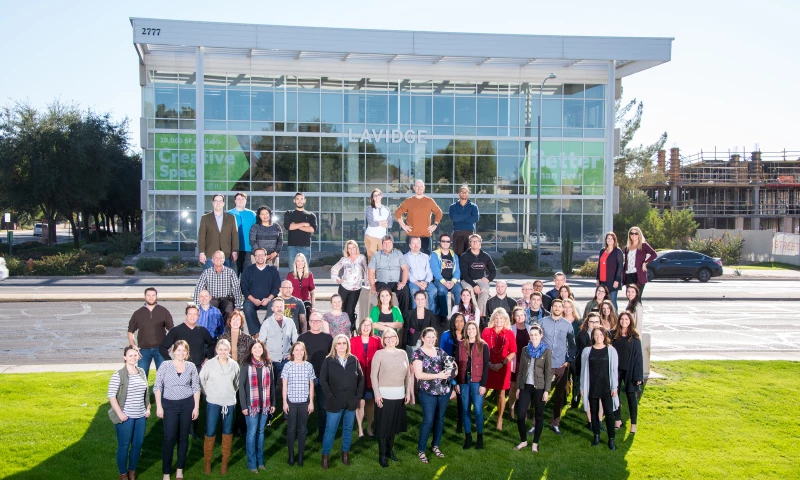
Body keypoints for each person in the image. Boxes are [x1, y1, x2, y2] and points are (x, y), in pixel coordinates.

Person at [154, 340, 200, 480]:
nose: (181, 353)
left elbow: (196, 387)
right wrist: (159, 406)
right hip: (169, 405)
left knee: (183, 438)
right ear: (173, 351)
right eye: (178, 350)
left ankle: (180, 469)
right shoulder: (165, 365)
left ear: (187, 353)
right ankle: (166, 472)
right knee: (169, 438)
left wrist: (196, 407)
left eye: (184, 351)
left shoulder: (191, 366)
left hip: (187, 405)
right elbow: (157, 386)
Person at [320, 334, 365, 469]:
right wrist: (330, 397)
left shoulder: (353, 360)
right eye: (338, 343)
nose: (341, 345)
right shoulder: (328, 360)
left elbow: (361, 379)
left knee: (348, 429)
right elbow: (323, 380)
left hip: (350, 402)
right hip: (334, 402)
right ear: (334, 345)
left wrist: (357, 397)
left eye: (344, 343)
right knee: (330, 430)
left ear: (347, 345)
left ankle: (345, 454)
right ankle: (325, 456)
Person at [371, 328, 412, 468]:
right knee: (384, 427)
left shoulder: (403, 353)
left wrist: (407, 393)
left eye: (392, 336)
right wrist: (377, 394)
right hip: (384, 395)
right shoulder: (379, 354)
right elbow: (373, 375)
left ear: (396, 338)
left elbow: (408, 375)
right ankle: (382, 455)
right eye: (387, 337)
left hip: (399, 395)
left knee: (393, 426)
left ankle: (389, 450)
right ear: (383, 340)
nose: (390, 339)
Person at [108, 345, 151, 480]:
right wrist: (120, 414)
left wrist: (148, 409)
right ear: (125, 357)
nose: (133, 357)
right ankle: (123, 474)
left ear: (138, 356)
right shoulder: (118, 375)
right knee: (124, 446)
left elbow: (146, 393)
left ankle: (132, 471)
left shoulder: (141, 372)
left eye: (135, 355)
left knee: (137, 445)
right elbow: (111, 396)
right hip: (126, 417)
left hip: (140, 416)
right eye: (130, 355)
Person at [413, 327, 454, 463]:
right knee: (428, 420)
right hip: (427, 392)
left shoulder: (440, 351)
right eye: (428, 337)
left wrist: (451, 374)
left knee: (440, 419)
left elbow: (452, 365)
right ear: (423, 338)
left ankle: (435, 445)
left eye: (433, 337)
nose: (431, 339)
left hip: (443, 391)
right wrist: (438, 375)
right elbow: (419, 375)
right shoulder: (418, 353)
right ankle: (421, 450)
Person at [199, 339, 240, 475]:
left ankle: (224, 463)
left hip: (229, 403)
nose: (223, 352)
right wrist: (209, 393)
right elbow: (201, 380)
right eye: (220, 349)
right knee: (210, 431)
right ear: (216, 350)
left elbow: (237, 383)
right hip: (213, 402)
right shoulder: (209, 365)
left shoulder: (234, 365)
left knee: (227, 432)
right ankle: (207, 462)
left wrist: (229, 393)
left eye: (225, 349)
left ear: (229, 350)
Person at [540, 299, 576, 435]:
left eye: (560, 306)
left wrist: (569, 360)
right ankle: (536, 423)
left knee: (559, 396)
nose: (557, 308)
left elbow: (572, 345)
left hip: (561, 364)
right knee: (541, 393)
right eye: (555, 306)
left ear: (562, 309)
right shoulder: (542, 322)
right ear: (551, 307)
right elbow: (535, 341)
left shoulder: (567, 325)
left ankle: (555, 423)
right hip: (546, 364)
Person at [513, 323, 552, 453]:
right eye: (532, 335)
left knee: (539, 415)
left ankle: (535, 443)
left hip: (540, 387)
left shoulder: (546, 351)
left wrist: (546, 391)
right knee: (520, 415)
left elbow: (548, 373)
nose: (534, 337)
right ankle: (523, 440)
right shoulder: (525, 350)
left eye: (536, 335)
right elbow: (521, 370)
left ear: (541, 336)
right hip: (526, 386)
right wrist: (519, 387)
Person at [239, 340, 276, 473]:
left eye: (259, 347)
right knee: (252, 432)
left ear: (263, 349)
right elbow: (241, 387)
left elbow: (272, 385)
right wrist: (244, 406)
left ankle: (260, 461)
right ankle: (252, 464)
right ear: (251, 350)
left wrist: (273, 403)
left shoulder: (268, 364)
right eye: (254, 348)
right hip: (251, 405)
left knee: (260, 431)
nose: (257, 350)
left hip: (265, 405)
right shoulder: (246, 365)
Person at [580, 326, 619, 450]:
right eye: (596, 334)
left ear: (605, 336)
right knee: (594, 412)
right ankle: (596, 436)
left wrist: (614, 387)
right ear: (593, 336)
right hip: (592, 386)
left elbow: (614, 371)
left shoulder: (611, 351)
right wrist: (582, 387)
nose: (598, 337)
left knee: (609, 413)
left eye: (601, 334)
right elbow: (583, 371)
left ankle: (611, 439)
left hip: (606, 386)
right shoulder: (587, 351)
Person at [454, 321, 490, 449]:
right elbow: (456, 364)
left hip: (477, 381)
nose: (471, 331)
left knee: (478, 410)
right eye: (468, 329)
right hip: (463, 381)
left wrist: (483, 384)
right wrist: (456, 382)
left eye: (473, 328)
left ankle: (480, 437)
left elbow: (486, 366)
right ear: (466, 331)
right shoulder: (460, 345)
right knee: (465, 409)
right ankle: (468, 437)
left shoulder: (483, 345)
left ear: (477, 330)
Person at [297, 312, 333, 437]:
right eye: (312, 321)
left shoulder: (328, 338)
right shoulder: (302, 338)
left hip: (323, 376)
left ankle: (323, 433)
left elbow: (332, 357)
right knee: (304, 405)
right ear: (309, 323)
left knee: (323, 406)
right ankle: (303, 431)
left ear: (322, 323)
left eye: (318, 321)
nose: (315, 323)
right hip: (306, 377)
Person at [482, 308, 517, 430]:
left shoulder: (509, 333)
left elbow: (513, 351)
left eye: (501, 318)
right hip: (488, 366)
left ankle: (499, 419)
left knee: (501, 394)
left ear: (505, 320)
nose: (498, 320)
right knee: (482, 392)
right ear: (493, 319)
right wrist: (488, 363)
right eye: (496, 318)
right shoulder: (486, 331)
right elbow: (481, 349)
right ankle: (479, 416)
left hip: (503, 367)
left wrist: (502, 363)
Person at [282, 341, 316, 467]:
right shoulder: (288, 366)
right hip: (291, 402)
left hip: (304, 403)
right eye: (296, 350)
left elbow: (311, 385)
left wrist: (311, 402)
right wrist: (284, 402)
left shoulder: (308, 366)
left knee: (302, 429)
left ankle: (300, 455)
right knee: (291, 429)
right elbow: (284, 386)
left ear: (304, 352)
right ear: (292, 352)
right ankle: (291, 455)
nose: (299, 352)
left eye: (301, 350)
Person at [128, 287, 174, 379]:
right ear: (145, 297)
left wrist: (169, 345)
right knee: (142, 377)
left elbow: (172, 330)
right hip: (143, 350)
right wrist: (134, 347)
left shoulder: (163, 311)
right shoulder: (138, 313)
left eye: (153, 295)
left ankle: (161, 389)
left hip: (160, 349)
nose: (151, 297)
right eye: (148, 295)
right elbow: (130, 331)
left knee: (163, 377)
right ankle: (143, 389)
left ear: (156, 296)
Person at [257, 297, 299, 394]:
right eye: (277, 307)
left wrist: (292, 355)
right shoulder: (267, 323)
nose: (279, 309)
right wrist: (265, 357)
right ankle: (272, 403)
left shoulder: (290, 322)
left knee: (290, 386)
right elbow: (261, 342)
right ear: (272, 308)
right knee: (270, 387)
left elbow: (296, 341)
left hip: (286, 359)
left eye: (281, 306)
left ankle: (288, 403)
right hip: (271, 360)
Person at [612, 311, 644, 434]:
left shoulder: (634, 337)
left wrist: (638, 376)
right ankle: (617, 419)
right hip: (616, 370)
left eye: (626, 319)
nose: (624, 321)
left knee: (631, 396)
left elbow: (638, 357)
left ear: (630, 321)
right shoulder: (613, 334)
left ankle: (633, 424)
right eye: (622, 319)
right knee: (614, 394)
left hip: (629, 371)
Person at [351, 318, 382, 438]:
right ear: (360, 327)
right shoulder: (353, 341)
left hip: (372, 377)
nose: (366, 327)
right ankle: (360, 429)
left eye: (368, 325)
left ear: (371, 328)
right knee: (360, 403)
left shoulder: (377, 340)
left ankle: (369, 427)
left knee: (370, 403)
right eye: (364, 325)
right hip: (358, 377)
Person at [159, 305, 215, 373]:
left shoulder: (203, 331)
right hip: (181, 368)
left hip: (198, 368)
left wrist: (208, 358)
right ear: (186, 315)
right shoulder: (176, 330)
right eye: (190, 314)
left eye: (195, 314)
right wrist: (171, 362)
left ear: (198, 316)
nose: (192, 316)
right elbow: (162, 347)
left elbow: (212, 345)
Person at [395, 179, 443, 255]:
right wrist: (403, 225)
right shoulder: (408, 201)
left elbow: (439, 213)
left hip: (425, 237)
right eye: (417, 186)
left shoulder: (429, 201)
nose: (419, 188)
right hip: (411, 236)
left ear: (424, 188)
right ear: (414, 188)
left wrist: (435, 225)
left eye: (421, 186)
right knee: (409, 260)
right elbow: (397, 213)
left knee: (426, 259)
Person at [240, 247, 281, 335]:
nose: (259, 257)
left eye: (262, 255)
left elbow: (276, 287)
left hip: (268, 300)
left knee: (275, 306)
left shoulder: (273, 270)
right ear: (254, 257)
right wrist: (253, 300)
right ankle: (256, 334)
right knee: (247, 307)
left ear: (266, 256)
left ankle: (263, 331)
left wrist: (268, 299)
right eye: (257, 255)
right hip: (252, 300)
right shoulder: (248, 270)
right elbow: (244, 287)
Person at [193, 250, 244, 320]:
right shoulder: (206, 272)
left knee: (228, 312)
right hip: (212, 299)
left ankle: (225, 327)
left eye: (220, 258)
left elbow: (236, 290)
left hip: (226, 299)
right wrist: (197, 305)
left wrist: (238, 306)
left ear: (224, 260)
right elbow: (199, 289)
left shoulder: (230, 272)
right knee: (210, 312)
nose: (218, 259)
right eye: (216, 258)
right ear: (212, 260)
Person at [368, 234, 412, 313]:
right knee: (385, 293)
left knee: (404, 291)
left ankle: (403, 318)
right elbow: (371, 272)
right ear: (382, 244)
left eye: (389, 242)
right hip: (382, 282)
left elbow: (405, 268)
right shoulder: (376, 256)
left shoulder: (398, 254)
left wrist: (403, 282)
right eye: (385, 243)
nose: (387, 245)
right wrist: (373, 287)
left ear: (392, 244)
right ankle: (387, 316)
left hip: (396, 282)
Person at [331, 240, 367, 330]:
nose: (352, 250)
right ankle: (342, 329)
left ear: (356, 248)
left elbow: (366, 271)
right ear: (347, 250)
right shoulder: (344, 260)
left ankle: (351, 329)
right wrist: (337, 279)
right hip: (344, 287)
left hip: (355, 289)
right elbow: (334, 269)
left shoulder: (361, 258)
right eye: (349, 248)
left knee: (350, 310)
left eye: (353, 247)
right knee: (342, 310)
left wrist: (367, 284)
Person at [459, 234, 496, 318]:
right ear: (469, 243)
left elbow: (493, 270)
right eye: (472, 241)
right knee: (469, 291)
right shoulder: (464, 256)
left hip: (480, 280)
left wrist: (488, 279)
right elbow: (464, 275)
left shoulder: (485, 256)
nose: (474, 243)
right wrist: (474, 285)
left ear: (480, 243)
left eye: (476, 241)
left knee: (485, 290)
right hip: (467, 280)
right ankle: (475, 312)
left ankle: (481, 316)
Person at [198, 194, 238, 269]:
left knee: (225, 276)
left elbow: (235, 236)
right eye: (216, 201)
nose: (218, 203)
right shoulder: (205, 218)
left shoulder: (231, 218)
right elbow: (201, 237)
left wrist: (235, 251)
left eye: (220, 201)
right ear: (213, 203)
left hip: (226, 254)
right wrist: (201, 252)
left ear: (223, 203)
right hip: (210, 254)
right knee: (210, 276)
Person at [576, 314, 602, 422]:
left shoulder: (604, 334)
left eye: (596, 322)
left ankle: (599, 420)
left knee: (600, 395)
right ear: (587, 322)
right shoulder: (582, 334)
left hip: (601, 368)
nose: (594, 324)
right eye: (591, 322)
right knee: (587, 393)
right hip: (586, 367)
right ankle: (590, 421)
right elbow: (582, 352)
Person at [429, 233, 463, 317]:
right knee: (441, 290)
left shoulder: (454, 255)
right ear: (440, 242)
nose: (445, 243)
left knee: (459, 290)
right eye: (443, 241)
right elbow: (435, 270)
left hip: (452, 280)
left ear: (449, 243)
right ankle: (443, 316)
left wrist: (453, 281)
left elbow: (457, 271)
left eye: (447, 241)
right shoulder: (434, 254)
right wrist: (444, 282)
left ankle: (457, 315)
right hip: (439, 281)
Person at [405, 237, 438, 311]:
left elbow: (429, 272)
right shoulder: (405, 257)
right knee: (414, 291)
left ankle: (432, 315)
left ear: (420, 245)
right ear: (410, 245)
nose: (416, 245)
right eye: (414, 243)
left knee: (434, 290)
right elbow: (407, 273)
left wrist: (426, 282)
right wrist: (417, 283)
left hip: (425, 281)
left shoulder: (426, 257)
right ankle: (415, 315)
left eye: (418, 243)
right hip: (413, 282)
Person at [623, 226, 657, 297]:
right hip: (628, 275)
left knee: (637, 298)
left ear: (639, 235)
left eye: (636, 233)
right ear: (629, 235)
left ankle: (638, 305)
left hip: (639, 275)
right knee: (630, 297)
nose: (634, 235)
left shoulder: (643, 245)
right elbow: (626, 262)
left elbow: (654, 254)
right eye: (632, 233)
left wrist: (645, 262)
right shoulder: (627, 248)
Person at [284, 192, 317, 265]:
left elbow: (312, 229)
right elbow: (289, 227)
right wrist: (304, 224)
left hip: (306, 247)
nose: (300, 201)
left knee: (305, 269)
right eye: (297, 199)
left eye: (301, 199)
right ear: (294, 200)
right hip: (292, 247)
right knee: (292, 270)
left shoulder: (311, 215)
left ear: (305, 200)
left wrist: (295, 225)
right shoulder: (289, 213)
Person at [508, 307, 530, 419]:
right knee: (513, 386)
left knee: (526, 387)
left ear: (525, 317)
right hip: (515, 361)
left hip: (527, 361)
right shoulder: (510, 329)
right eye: (517, 315)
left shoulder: (530, 328)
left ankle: (525, 409)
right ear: (514, 317)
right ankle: (511, 408)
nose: (520, 317)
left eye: (522, 315)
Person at [229, 192, 257, 274]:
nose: (240, 200)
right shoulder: (228, 214)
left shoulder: (252, 214)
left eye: (242, 199)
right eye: (238, 199)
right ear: (235, 201)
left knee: (247, 276)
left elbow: (256, 231)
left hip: (248, 250)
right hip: (233, 250)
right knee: (234, 275)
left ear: (246, 201)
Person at [596, 231, 624, 310]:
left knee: (612, 301)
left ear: (615, 240)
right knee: (603, 302)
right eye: (608, 238)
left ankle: (615, 317)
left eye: (612, 238)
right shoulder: (602, 251)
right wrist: (597, 279)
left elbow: (620, 266)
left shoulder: (617, 251)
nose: (610, 240)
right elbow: (599, 265)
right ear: (606, 240)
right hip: (602, 281)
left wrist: (617, 280)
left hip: (613, 281)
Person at [449, 185, 479, 256]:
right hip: (457, 233)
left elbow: (475, 219)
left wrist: (460, 217)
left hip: (469, 233)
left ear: (468, 194)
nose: (464, 194)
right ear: (459, 194)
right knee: (458, 255)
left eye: (465, 192)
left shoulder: (473, 206)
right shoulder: (453, 206)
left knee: (470, 255)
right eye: (462, 192)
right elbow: (454, 218)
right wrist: (468, 215)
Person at [404, 290, 436, 355]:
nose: (420, 301)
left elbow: (433, 331)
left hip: (426, 343)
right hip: (412, 343)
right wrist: (403, 345)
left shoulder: (430, 314)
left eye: (422, 299)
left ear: (425, 300)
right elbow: (406, 330)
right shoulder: (409, 314)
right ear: (414, 300)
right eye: (418, 299)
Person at [365, 188, 393, 261]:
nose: (377, 197)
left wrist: (377, 221)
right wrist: (383, 221)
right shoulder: (370, 209)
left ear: (381, 196)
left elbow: (390, 224)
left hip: (382, 238)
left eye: (378, 195)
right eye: (375, 195)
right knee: (372, 259)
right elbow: (371, 223)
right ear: (372, 198)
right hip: (371, 236)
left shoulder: (387, 209)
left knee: (383, 259)